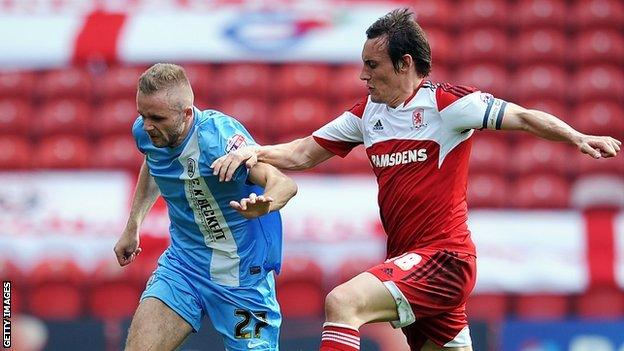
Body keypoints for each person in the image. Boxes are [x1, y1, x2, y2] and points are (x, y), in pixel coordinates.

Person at [210, 8, 621, 351]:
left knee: (342, 302)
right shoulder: (366, 114)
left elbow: (525, 117)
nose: (363, 76)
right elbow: (302, 152)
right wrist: (254, 151)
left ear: (405, 63)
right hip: (411, 263)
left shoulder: (448, 105)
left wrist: (577, 136)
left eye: (372, 66)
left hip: (445, 258)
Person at [113, 63, 297, 351]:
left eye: (157, 117)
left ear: (186, 114)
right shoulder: (146, 134)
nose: (147, 126)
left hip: (243, 282)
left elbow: (283, 182)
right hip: (183, 268)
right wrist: (133, 225)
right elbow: (154, 164)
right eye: (142, 115)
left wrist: (266, 203)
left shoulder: (219, 140)